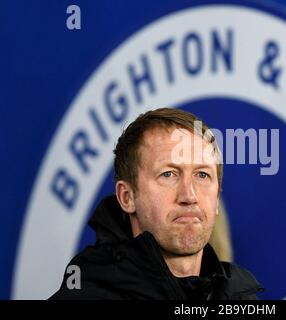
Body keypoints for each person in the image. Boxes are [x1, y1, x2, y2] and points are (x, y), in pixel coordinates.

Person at [50, 107, 263, 300]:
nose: (189, 195)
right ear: (127, 197)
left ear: (217, 198)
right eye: (168, 174)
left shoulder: (239, 297)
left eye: (202, 175)